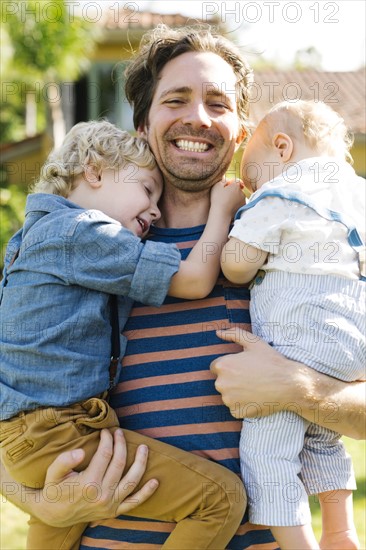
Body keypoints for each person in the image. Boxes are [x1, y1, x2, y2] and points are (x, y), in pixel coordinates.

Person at [1, 25, 365, 550]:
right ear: (144, 122)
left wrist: (299, 389)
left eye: (218, 103)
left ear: (242, 131)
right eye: (177, 99)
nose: (197, 116)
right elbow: (16, 404)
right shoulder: (92, 246)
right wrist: (38, 501)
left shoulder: (293, 238)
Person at [0, 119, 247, 550]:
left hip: (26, 440)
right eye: (147, 190)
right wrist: (222, 211)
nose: (154, 210)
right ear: (94, 171)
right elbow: (193, 281)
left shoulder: (27, 240)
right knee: (222, 500)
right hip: (64, 432)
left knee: (58, 526)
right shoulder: (85, 232)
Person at [221, 100, 365, 549]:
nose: (249, 190)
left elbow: (236, 266)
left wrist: (234, 222)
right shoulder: (357, 190)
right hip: (352, 340)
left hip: (301, 333)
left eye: (249, 177)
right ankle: (340, 530)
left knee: (268, 453)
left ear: (282, 148)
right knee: (321, 436)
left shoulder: (284, 191)